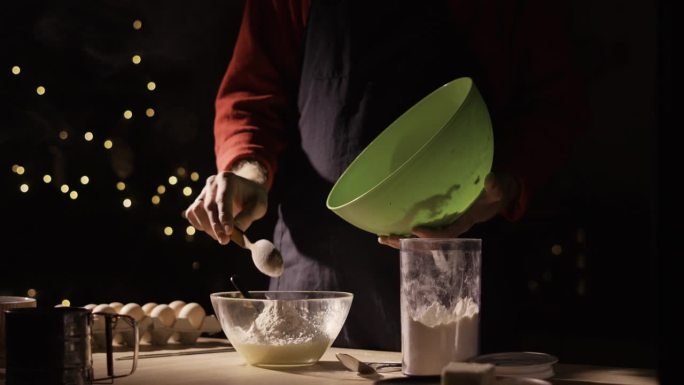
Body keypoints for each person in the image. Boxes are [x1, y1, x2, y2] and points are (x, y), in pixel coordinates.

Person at [185, 0, 586, 351]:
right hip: (316, 285)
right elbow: (252, 93)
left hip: (458, 277)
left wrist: (508, 183)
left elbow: (553, 104)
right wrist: (247, 171)